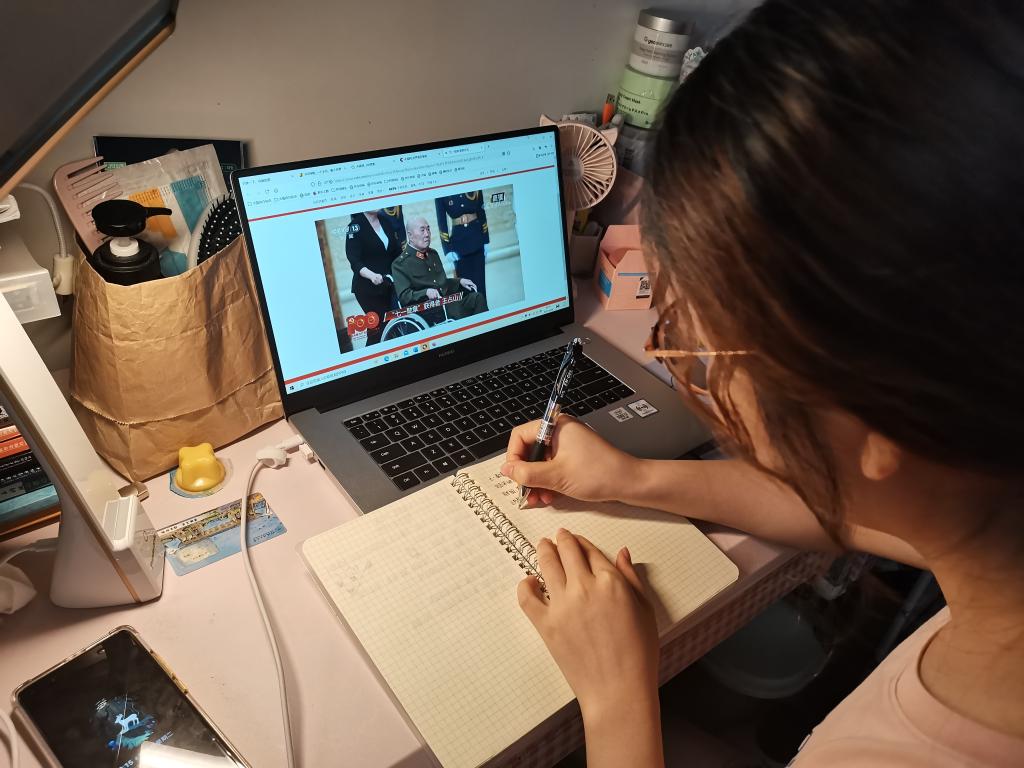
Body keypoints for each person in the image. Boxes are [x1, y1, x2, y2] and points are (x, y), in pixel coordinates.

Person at [500, 2, 1024, 766]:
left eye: (702, 352)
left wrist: (618, 696)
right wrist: (634, 479)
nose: (695, 374)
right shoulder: (979, 509)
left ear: (877, 420)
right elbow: (851, 517)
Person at [392, 216, 487, 321]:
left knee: (477, 298)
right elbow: (404, 297)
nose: (427, 234)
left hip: (447, 304)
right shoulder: (400, 264)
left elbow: (441, 284)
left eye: (428, 229)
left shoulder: (433, 254)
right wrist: (426, 292)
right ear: (410, 235)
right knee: (457, 309)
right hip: (428, 311)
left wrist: (460, 281)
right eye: (422, 230)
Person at [345, 210, 402, 346]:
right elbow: (354, 261)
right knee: (380, 329)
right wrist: (372, 276)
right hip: (367, 288)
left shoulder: (386, 221)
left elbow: (396, 252)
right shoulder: (354, 226)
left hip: (388, 284)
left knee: (392, 327)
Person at [436, 191, 489, 299]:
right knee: (465, 290)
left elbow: (481, 212)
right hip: (458, 246)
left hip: (477, 240)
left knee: (480, 287)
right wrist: (447, 249)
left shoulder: (473, 186)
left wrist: (486, 239)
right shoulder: (441, 192)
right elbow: (441, 221)